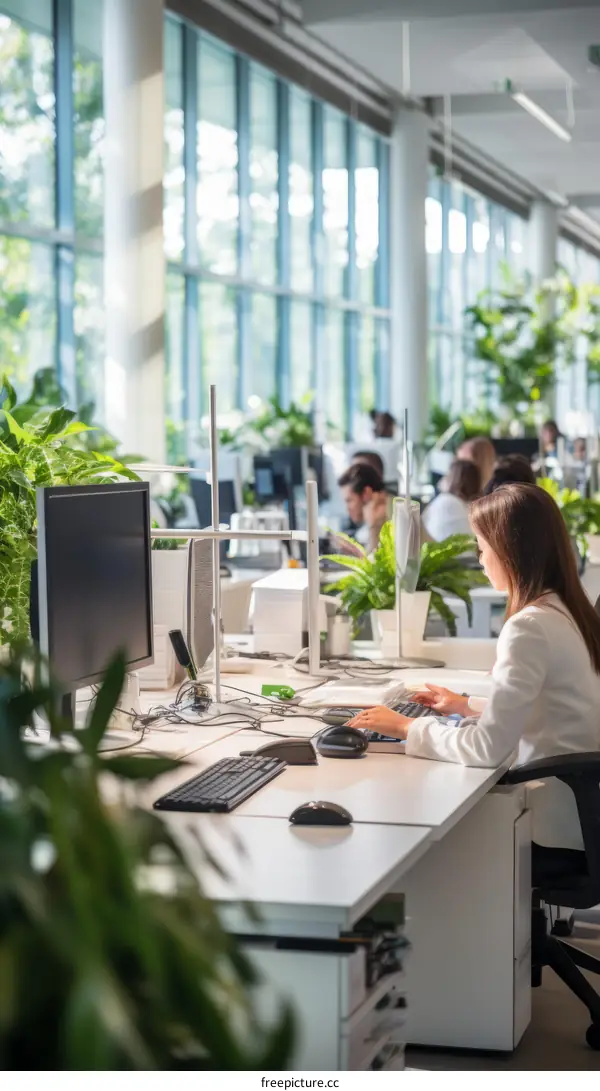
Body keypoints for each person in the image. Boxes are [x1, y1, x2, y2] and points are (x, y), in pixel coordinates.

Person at [349, 483, 600, 873]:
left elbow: (487, 749)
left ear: (510, 550)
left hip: (553, 830)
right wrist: (467, 705)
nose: (481, 559)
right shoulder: (567, 611)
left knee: (413, 839)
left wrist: (407, 727)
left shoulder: (529, 627)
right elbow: (551, 706)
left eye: (482, 547)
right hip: (580, 819)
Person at [337, 463, 391, 554]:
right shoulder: (367, 525)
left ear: (366, 493)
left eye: (349, 501)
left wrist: (374, 527)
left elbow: (377, 565)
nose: (347, 509)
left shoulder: (391, 516)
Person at [422, 459, 480, 541]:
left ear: (453, 479)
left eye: (447, 475)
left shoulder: (445, 502)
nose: (443, 479)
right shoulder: (475, 509)